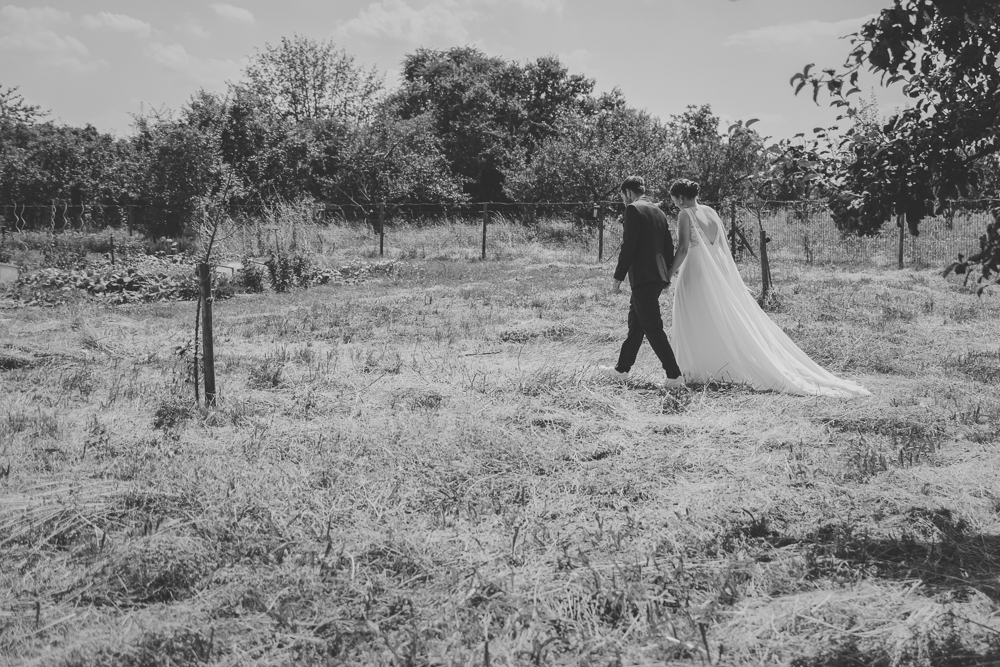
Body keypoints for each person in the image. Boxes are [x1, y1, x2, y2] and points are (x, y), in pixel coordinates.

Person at [667, 178, 870, 397]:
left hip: (696, 272)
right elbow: (721, 248)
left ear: (680, 197)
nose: (675, 205)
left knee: (697, 315)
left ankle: (698, 365)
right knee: (718, 315)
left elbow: (683, 249)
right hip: (717, 269)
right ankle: (715, 362)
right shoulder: (711, 212)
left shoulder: (684, 214)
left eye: (674, 200)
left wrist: (668, 274)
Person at [601, 176, 685, 389]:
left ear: (628, 192)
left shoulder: (633, 209)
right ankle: (621, 370)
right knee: (636, 324)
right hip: (657, 276)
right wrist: (666, 275)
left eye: (622, 196)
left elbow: (629, 246)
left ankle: (674, 376)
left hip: (644, 277)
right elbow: (668, 245)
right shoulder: (659, 211)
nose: (623, 201)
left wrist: (618, 277)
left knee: (652, 327)